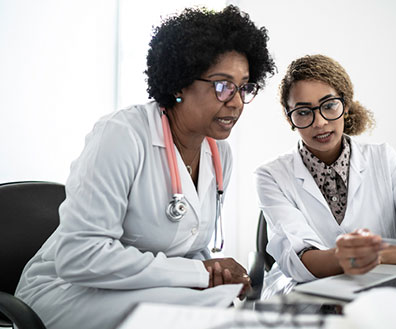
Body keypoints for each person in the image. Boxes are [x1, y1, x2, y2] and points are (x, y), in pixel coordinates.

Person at [15, 6, 275, 329]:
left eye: (244, 87)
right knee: (207, 313)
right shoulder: (122, 136)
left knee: (221, 306)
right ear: (179, 84)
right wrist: (197, 274)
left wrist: (212, 270)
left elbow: (186, 246)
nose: (236, 102)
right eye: (223, 85)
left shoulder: (219, 153)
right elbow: (80, 255)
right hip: (67, 293)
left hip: (144, 292)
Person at [255, 54, 396, 299]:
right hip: (304, 295)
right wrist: (350, 257)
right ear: (289, 118)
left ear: (345, 104)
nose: (319, 122)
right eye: (304, 112)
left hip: (377, 291)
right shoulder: (271, 175)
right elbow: (299, 258)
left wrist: (378, 254)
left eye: (329, 106)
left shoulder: (383, 158)